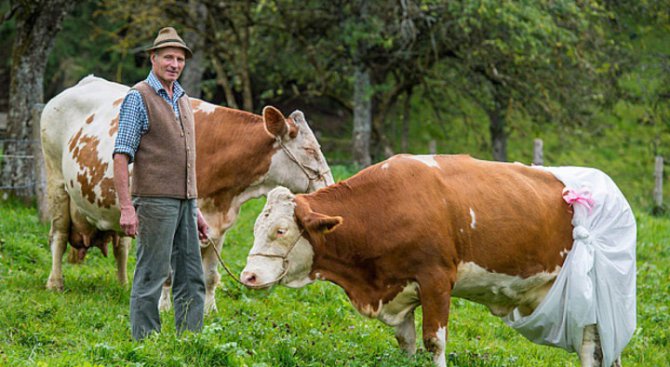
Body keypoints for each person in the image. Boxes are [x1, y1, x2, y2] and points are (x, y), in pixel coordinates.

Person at [113, 26, 208, 341]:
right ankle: (145, 342)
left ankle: (190, 339)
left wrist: (195, 208)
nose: (175, 64)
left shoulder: (181, 98)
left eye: (180, 59)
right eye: (168, 57)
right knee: (152, 275)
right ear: (153, 58)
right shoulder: (138, 97)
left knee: (192, 276)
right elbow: (121, 155)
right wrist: (127, 207)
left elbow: (185, 157)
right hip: (153, 201)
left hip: (184, 201)